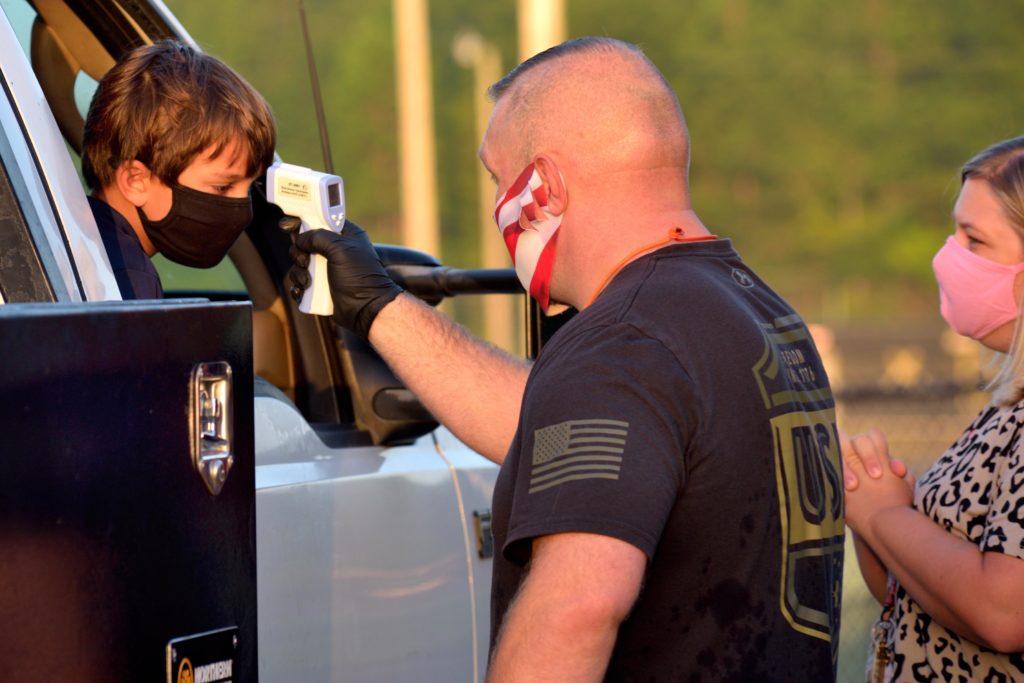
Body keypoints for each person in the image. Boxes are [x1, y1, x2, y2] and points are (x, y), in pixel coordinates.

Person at [291, 37, 844, 680]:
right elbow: (563, 428)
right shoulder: (750, 311)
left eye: (500, 181)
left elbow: (578, 606)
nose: (500, 204)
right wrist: (378, 307)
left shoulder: (622, 345)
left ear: (543, 185)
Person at [843, 137, 1024, 681]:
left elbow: (1004, 614)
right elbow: (916, 602)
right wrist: (872, 504)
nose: (950, 257)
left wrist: (885, 515)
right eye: (955, 232)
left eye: (975, 240)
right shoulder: (1007, 406)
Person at [81, 40, 276, 299]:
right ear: (136, 181)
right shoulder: (123, 280)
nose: (243, 210)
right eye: (223, 187)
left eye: (251, 186)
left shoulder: (80, 238)